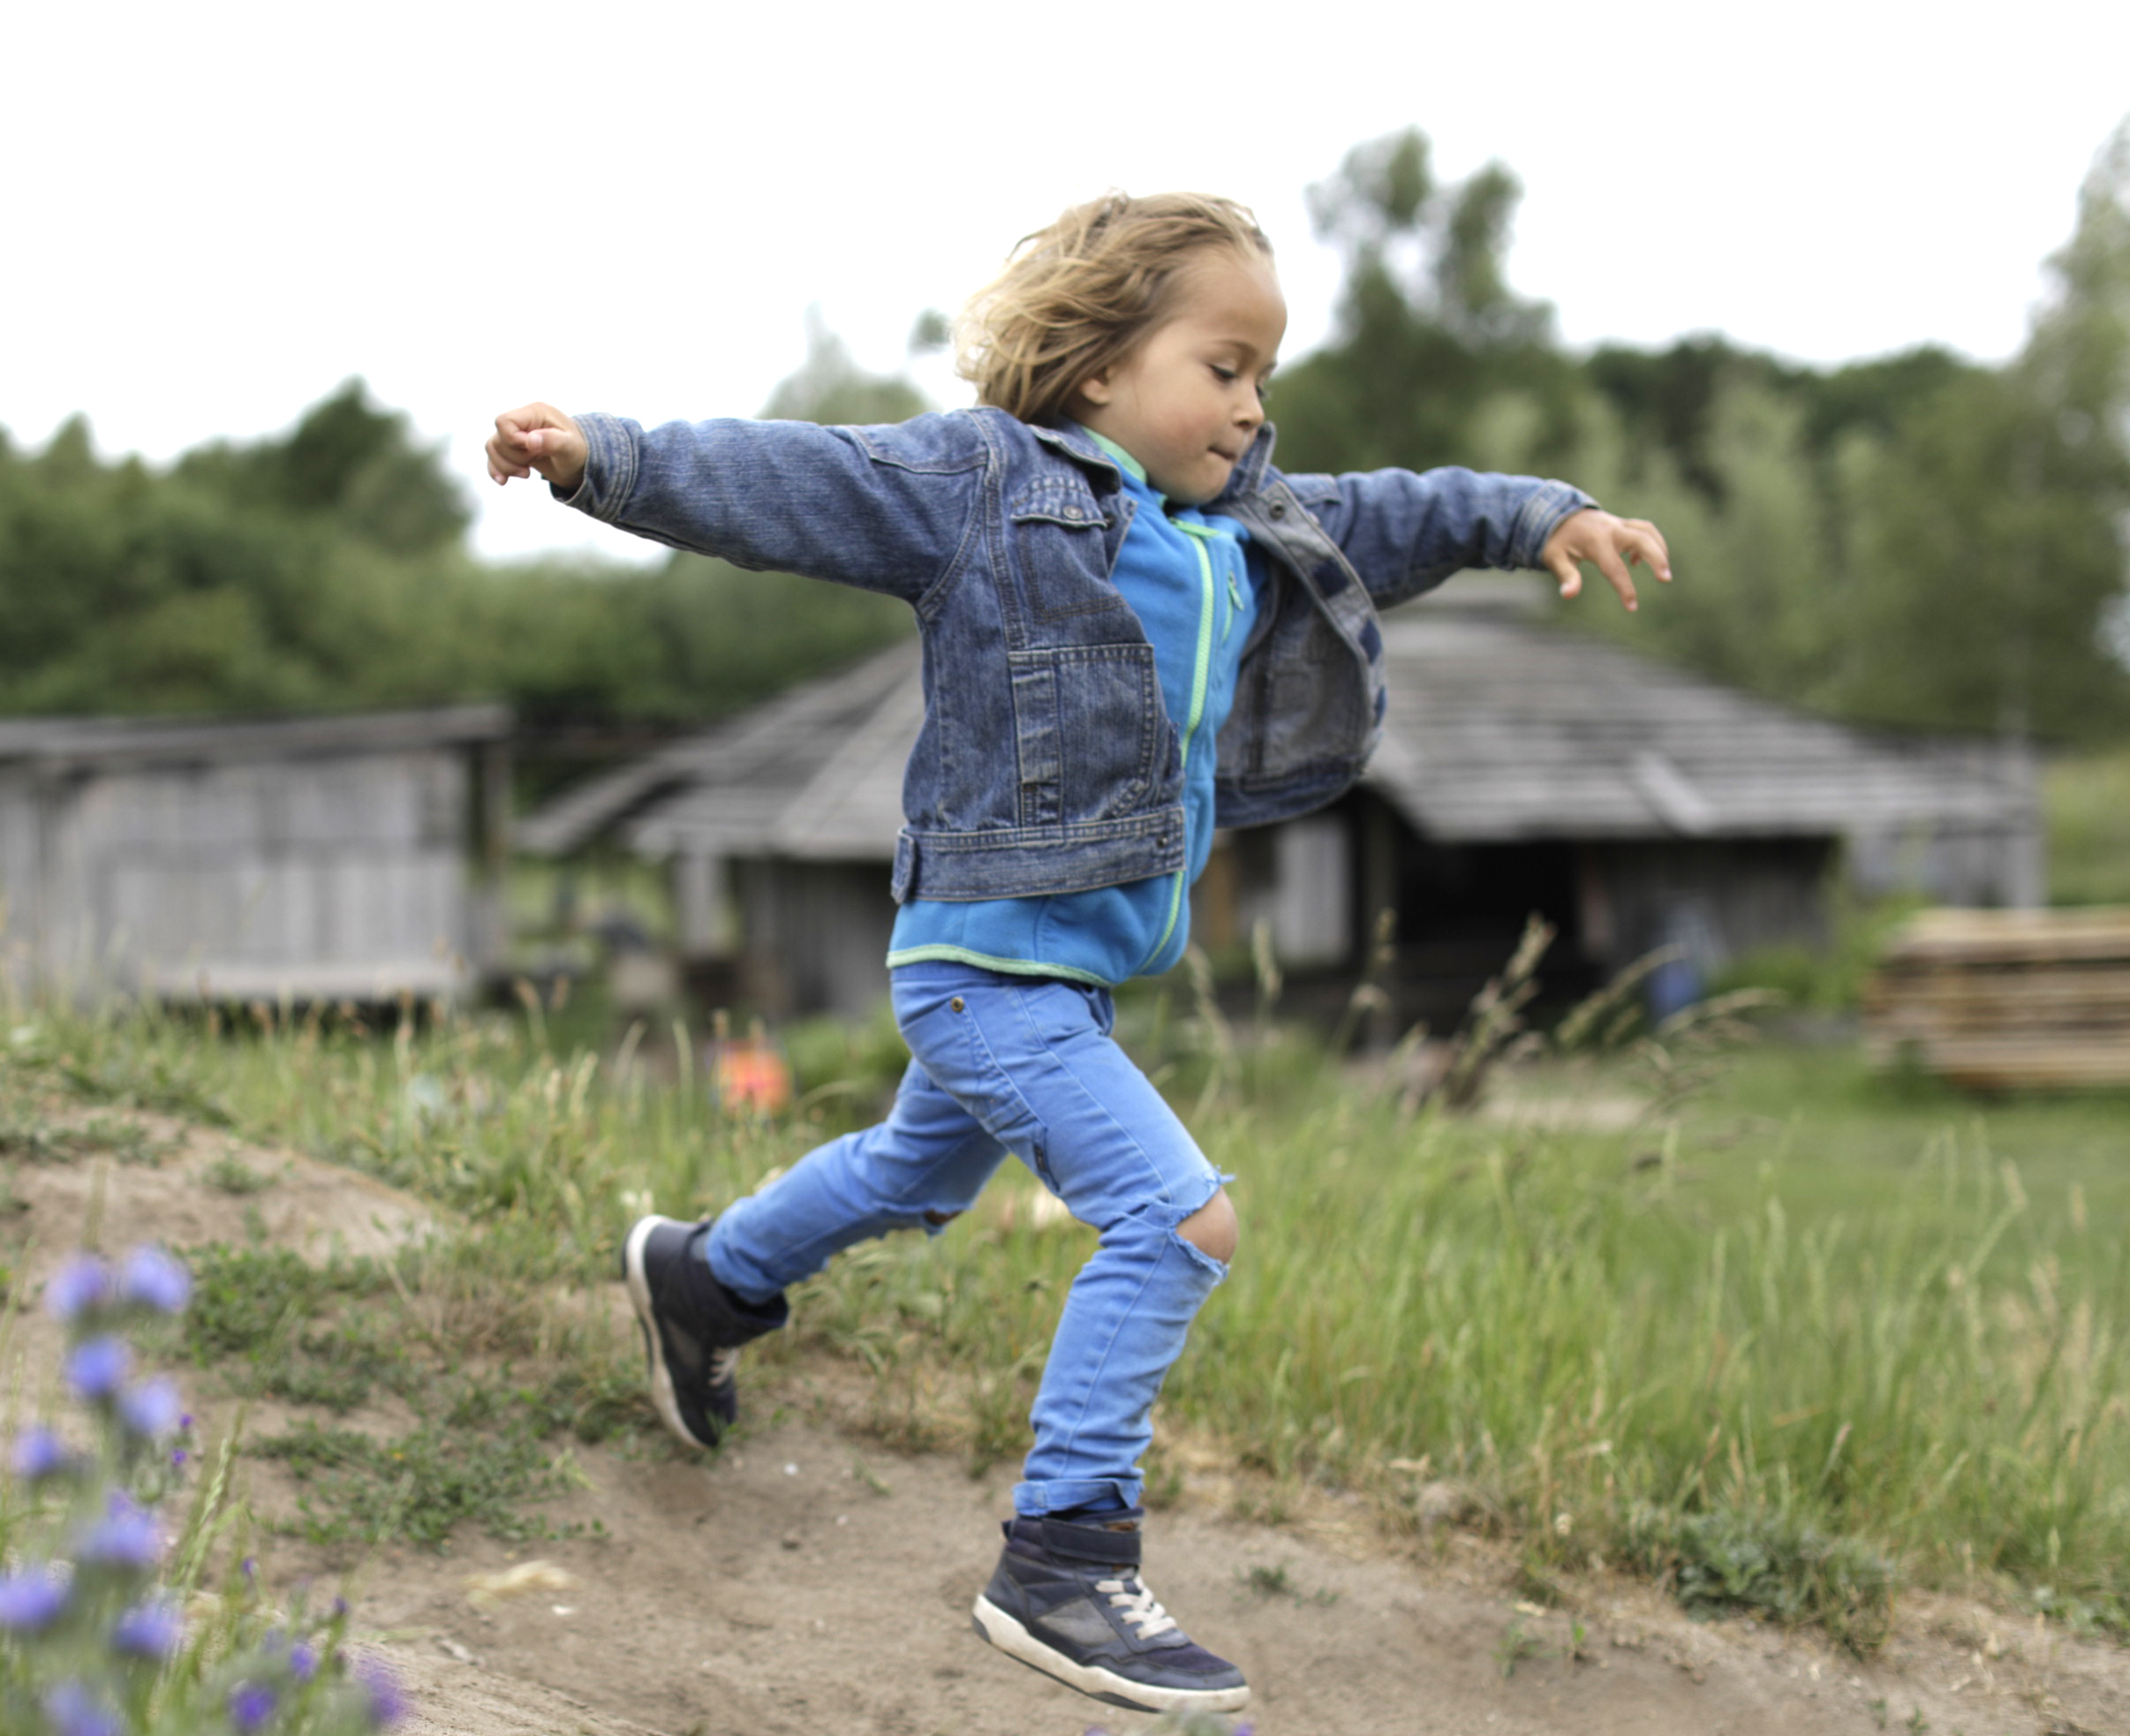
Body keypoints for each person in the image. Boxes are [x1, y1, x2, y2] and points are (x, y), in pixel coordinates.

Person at [486, 191, 1668, 1717]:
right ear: (1102, 364)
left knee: (920, 1172)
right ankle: (1061, 1556)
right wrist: (603, 456)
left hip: (1069, 968)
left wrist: (1539, 513)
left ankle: (706, 1279)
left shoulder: (1241, 520)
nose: (1252, 406)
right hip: (986, 960)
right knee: (1182, 1223)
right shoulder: (986, 484)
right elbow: (798, 478)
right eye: (1225, 365)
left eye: (1264, 379)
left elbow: (1402, 507)